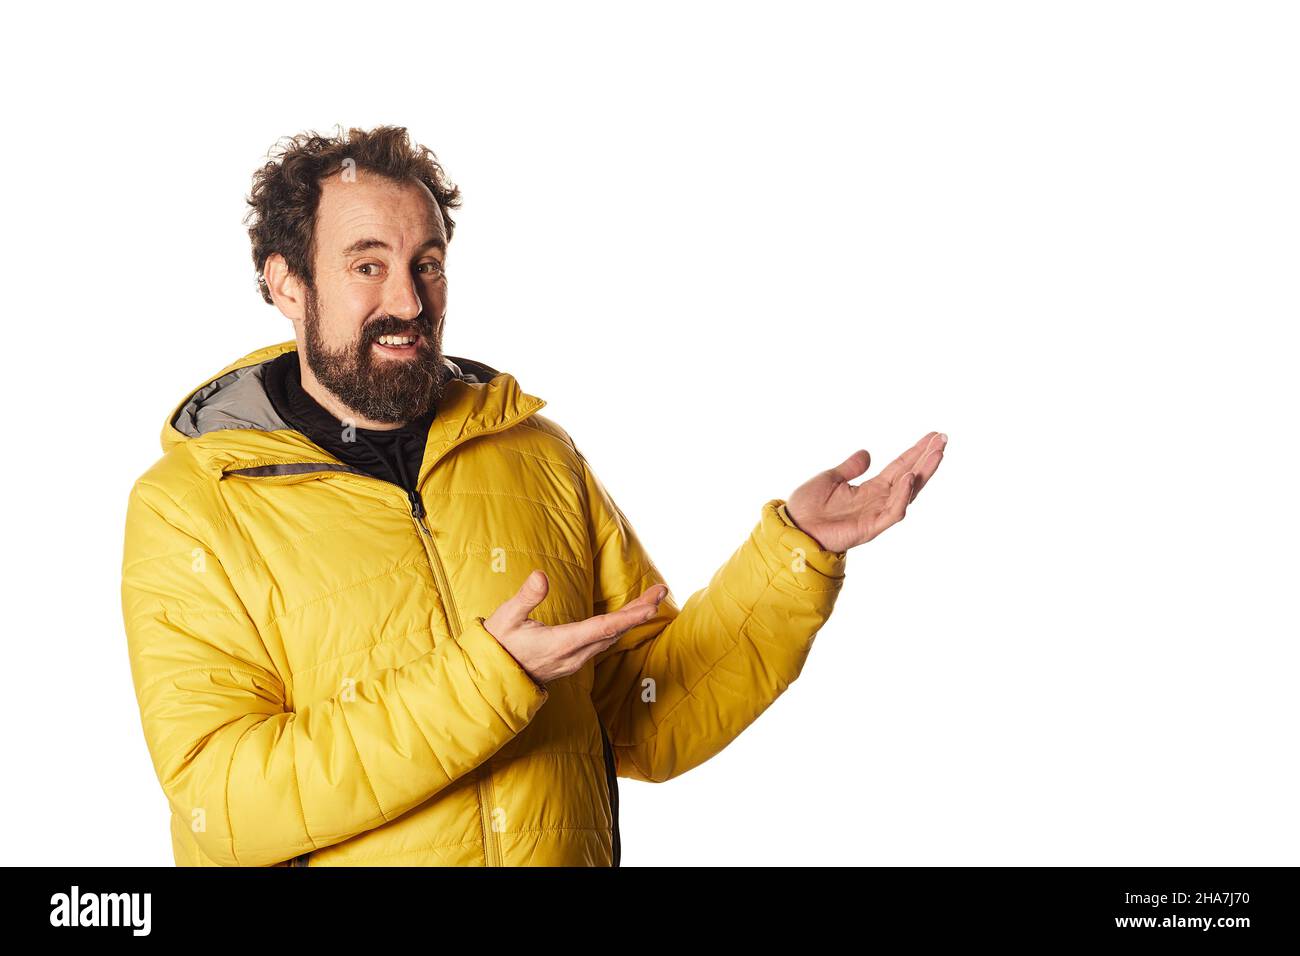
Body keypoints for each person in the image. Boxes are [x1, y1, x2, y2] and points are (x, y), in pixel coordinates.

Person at [120, 124, 947, 867]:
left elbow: (647, 714)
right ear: (287, 283)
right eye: (367, 264)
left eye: (428, 265)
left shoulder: (534, 455)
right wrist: (487, 681)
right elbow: (225, 805)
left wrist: (795, 554)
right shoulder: (193, 505)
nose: (408, 301)